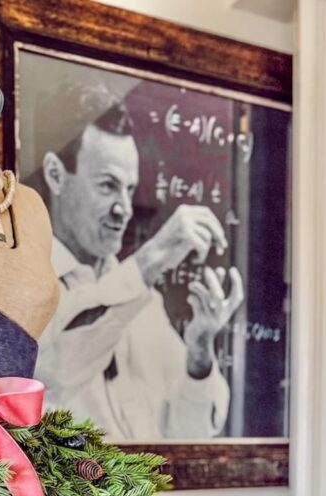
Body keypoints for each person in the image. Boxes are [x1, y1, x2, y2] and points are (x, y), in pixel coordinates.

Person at [34, 83, 244, 439]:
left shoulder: (143, 303)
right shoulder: (26, 286)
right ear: (56, 175)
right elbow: (55, 374)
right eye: (107, 186)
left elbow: (189, 433)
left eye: (129, 189)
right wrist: (150, 262)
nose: (124, 210)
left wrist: (198, 353)